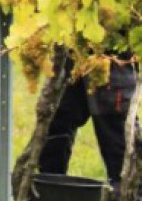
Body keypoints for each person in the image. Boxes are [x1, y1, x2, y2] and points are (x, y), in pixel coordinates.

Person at [38, 56, 136, 192]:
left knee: (116, 136)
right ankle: (51, 198)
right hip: (71, 50)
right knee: (56, 124)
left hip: (110, 53)